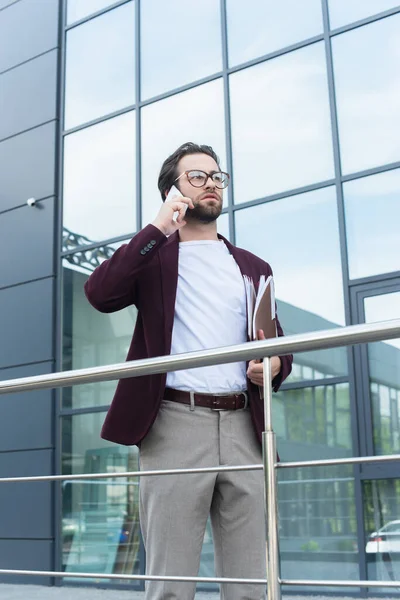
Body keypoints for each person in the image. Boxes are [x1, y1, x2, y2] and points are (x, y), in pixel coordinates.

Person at [84, 142, 293, 600]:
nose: (211, 184)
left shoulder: (254, 268)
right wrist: (159, 226)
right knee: (171, 585)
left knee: (250, 586)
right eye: (197, 176)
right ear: (172, 190)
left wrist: (274, 364)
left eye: (217, 176)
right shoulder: (154, 256)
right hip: (175, 426)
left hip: (246, 428)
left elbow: (278, 342)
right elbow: (100, 293)